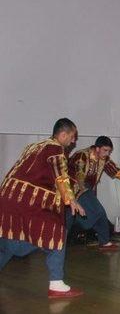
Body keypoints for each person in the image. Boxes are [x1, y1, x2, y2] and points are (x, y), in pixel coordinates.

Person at [0, 118, 85, 298]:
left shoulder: (34, 146)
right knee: (57, 233)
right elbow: (60, 176)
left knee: (11, 240)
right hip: (29, 200)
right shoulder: (55, 149)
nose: (73, 141)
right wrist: (71, 199)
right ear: (63, 134)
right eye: (72, 137)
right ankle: (57, 284)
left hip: (8, 198)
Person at [67, 136, 120, 251]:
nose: (107, 154)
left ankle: (103, 241)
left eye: (109, 151)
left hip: (86, 190)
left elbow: (117, 171)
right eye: (105, 150)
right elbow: (79, 174)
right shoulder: (82, 155)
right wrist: (81, 189)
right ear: (97, 148)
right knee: (97, 212)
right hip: (74, 189)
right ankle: (102, 241)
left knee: (87, 215)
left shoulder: (104, 159)